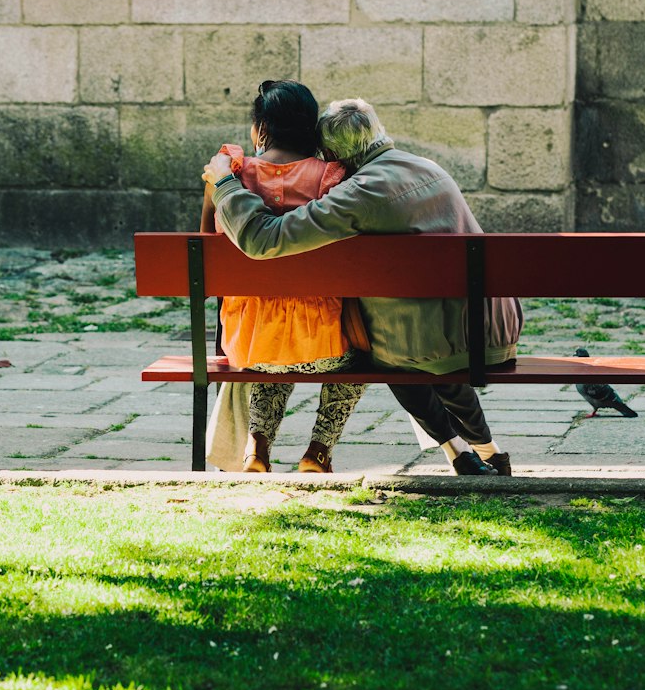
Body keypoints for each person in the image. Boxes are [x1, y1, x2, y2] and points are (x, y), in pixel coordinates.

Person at [203, 98, 519, 477]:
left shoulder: (360, 192)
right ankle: (482, 452)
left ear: (333, 152)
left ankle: (463, 450)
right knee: (406, 350)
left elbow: (263, 239)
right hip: (493, 329)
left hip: (436, 343)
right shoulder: (427, 166)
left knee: (392, 357)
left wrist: (223, 182)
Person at [201, 81, 363, 475]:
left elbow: (205, 248)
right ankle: (319, 450)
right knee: (359, 357)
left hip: (247, 345)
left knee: (273, 340)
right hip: (323, 345)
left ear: (260, 128)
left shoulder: (229, 174)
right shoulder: (334, 178)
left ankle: (257, 447)